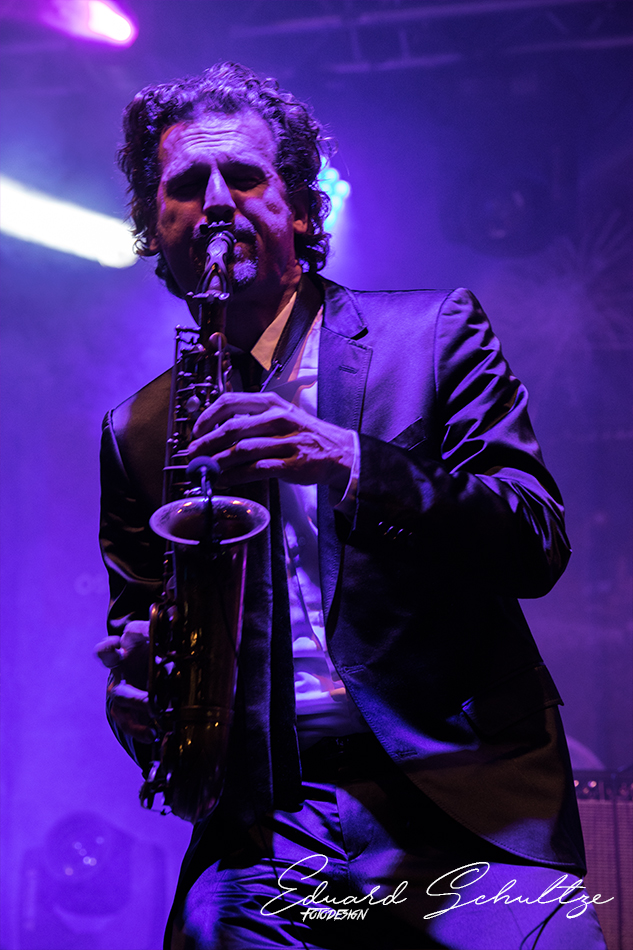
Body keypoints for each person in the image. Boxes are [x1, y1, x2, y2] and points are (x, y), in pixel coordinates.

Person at [96, 63, 606, 949]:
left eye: (243, 176)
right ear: (155, 223)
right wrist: (138, 696)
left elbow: (534, 542)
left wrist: (352, 460)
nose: (213, 203)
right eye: (183, 186)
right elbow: (140, 634)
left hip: (464, 800)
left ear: (300, 208)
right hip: (269, 824)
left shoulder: (433, 333)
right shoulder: (137, 430)